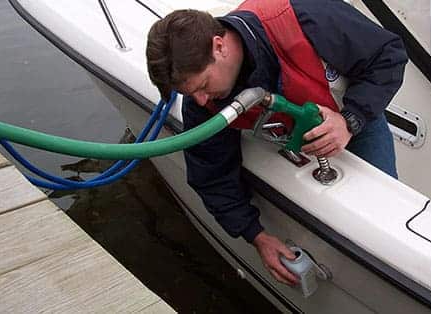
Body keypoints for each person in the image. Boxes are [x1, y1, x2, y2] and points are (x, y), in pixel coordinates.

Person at [145, 0, 408, 286]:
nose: (200, 100)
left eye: (203, 86)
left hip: (353, 118)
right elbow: (211, 174)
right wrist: (256, 236)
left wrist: (350, 120)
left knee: (386, 217)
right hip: (292, 138)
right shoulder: (203, 102)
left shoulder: (304, 16)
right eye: (192, 93)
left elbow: (388, 53)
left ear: (219, 46)